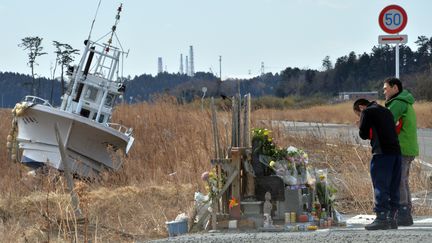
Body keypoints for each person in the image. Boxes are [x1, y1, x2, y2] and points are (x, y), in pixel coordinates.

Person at [353, 98, 402, 230]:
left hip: (382, 153)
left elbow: (363, 133)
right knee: (394, 185)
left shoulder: (367, 112)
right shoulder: (386, 111)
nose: (360, 116)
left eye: (358, 114)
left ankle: (381, 218)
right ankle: (392, 219)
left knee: (380, 185)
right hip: (397, 153)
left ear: (361, 107)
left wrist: (360, 124)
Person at [383, 77, 419, 226]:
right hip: (409, 147)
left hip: (402, 148)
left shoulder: (398, 103)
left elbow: (385, 122)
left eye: (386, 88)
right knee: (403, 180)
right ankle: (406, 213)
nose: (383, 91)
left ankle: (403, 212)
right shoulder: (406, 102)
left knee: (398, 181)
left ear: (395, 88)